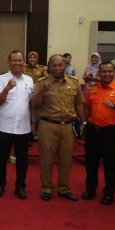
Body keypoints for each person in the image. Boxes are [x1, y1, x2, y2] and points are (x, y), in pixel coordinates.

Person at [30, 54, 85, 201]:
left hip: (68, 126)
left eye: (60, 65)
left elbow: (79, 104)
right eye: (54, 65)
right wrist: (42, 91)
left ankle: (64, 188)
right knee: (46, 159)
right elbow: (34, 104)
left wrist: (83, 122)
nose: (57, 68)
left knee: (66, 160)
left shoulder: (74, 82)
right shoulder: (42, 82)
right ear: (49, 66)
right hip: (48, 125)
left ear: (65, 66)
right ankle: (46, 188)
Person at [82, 61, 115, 205]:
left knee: (110, 164)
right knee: (91, 163)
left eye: (110, 71)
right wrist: (84, 123)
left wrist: (114, 105)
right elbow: (87, 107)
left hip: (110, 132)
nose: (107, 74)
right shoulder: (93, 89)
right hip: (92, 130)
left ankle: (108, 193)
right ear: (99, 73)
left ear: (113, 73)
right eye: (104, 71)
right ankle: (90, 189)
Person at [0, 50, 34, 199]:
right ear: (9, 62)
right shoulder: (1, 79)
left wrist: (33, 122)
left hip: (23, 128)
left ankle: (20, 186)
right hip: (4, 127)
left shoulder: (29, 80)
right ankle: (0, 185)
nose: (17, 63)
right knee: (1, 159)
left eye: (19, 60)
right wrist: (7, 89)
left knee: (22, 160)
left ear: (24, 62)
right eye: (14, 60)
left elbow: (31, 103)